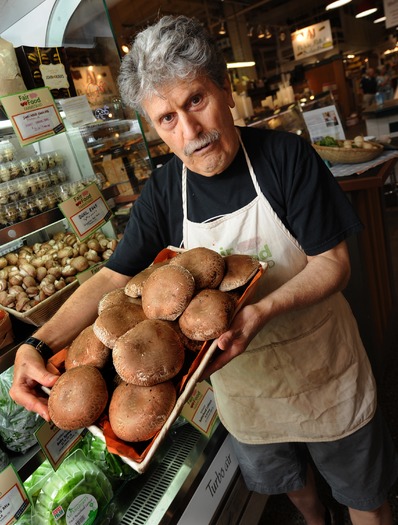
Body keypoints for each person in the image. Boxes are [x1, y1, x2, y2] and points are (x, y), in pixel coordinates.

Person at [10, 15, 398, 525]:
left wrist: (260, 310)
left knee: (363, 494)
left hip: (322, 368)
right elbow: (109, 278)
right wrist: (36, 345)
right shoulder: (166, 189)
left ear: (226, 88)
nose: (190, 131)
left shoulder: (285, 158)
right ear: (154, 128)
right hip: (242, 387)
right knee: (292, 487)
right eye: (167, 118)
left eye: (196, 100)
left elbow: (334, 264)